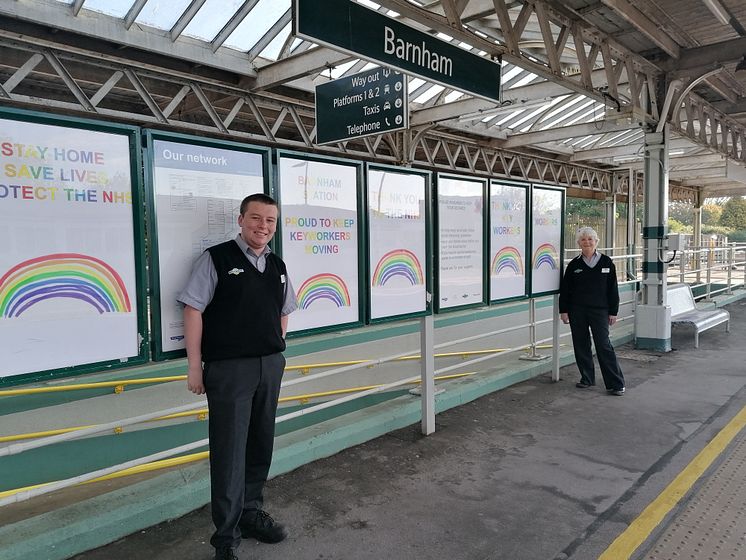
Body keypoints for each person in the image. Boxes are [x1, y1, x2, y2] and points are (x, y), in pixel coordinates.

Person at [178, 193, 297, 560]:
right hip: (229, 370)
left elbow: (283, 310)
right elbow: (193, 309)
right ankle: (225, 538)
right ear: (241, 219)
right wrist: (194, 365)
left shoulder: (277, 265)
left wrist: (276, 347)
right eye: (256, 219)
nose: (263, 226)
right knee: (229, 451)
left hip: (269, 365)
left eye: (270, 221)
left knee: (260, 443)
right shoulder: (216, 259)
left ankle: (250, 513)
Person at [559, 226, 625, 396]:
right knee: (581, 344)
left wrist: (613, 311)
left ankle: (616, 384)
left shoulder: (606, 262)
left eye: (590, 239)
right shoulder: (574, 265)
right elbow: (565, 289)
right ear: (578, 243)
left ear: (596, 242)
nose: (587, 242)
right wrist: (564, 310)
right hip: (577, 310)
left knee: (603, 345)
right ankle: (587, 378)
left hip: (600, 311)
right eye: (583, 239)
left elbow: (613, 289)